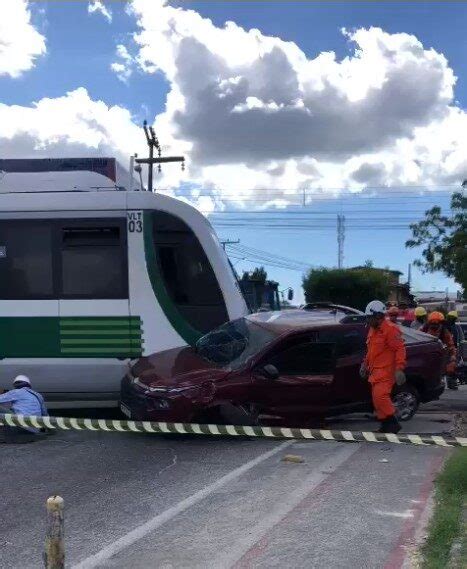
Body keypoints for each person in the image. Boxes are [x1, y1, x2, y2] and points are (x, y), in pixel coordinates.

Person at [360, 300, 407, 434]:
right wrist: (365, 364)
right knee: (376, 399)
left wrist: (399, 368)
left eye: (370, 317)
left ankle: (393, 423)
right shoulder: (372, 330)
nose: (368, 320)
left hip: (387, 371)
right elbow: (370, 351)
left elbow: (399, 349)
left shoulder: (391, 329)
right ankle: (386, 425)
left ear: (378, 316)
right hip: (375, 372)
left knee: (381, 396)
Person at [0, 375, 48, 443]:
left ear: (15, 385)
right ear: (29, 385)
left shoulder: (16, 392)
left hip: (21, 428)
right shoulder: (38, 395)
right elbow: (45, 414)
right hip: (34, 430)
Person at [422, 312, 458, 390]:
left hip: (439, 354)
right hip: (426, 354)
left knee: (450, 365)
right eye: (432, 323)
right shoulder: (423, 329)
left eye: (436, 323)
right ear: (429, 323)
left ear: (440, 323)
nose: (434, 325)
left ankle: (450, 381)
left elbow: (450, 345)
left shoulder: (444, 332)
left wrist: (453, 356)